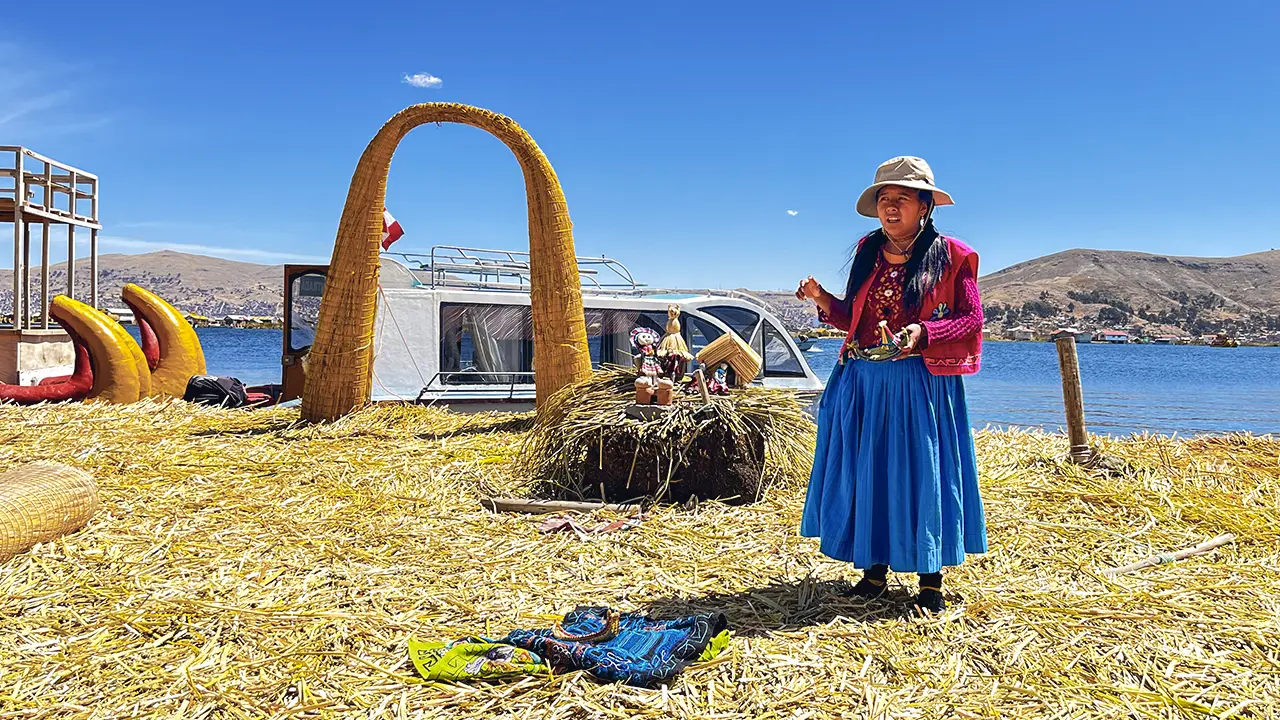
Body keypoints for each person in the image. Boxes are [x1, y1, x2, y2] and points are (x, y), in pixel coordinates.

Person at [794, 156, 987, 614]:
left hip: (918, 382)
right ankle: (873, 573)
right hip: (863, 378)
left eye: (902, 199)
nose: (891, 208)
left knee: (920, 470)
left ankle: (929, 580)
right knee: (870, 470)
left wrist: (926, 334)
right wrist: (823, 299)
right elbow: (852, 318)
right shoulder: (866, 250)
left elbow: (973, 318)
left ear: (925, 206)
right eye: (884, 199)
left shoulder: (953, 256)